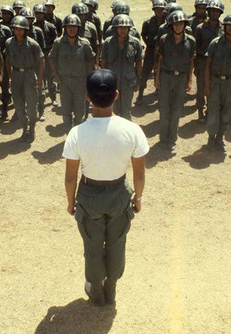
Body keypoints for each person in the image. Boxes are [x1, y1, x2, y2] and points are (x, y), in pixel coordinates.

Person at [63, 69, 149, 306]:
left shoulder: (76, 133)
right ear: (117, 95)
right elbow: (139, 172)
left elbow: (70, 178)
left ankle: (97, 290)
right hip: (119, 194)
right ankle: (111, 286)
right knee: (117, 242)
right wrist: (138, 197)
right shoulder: (132, 130)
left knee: (92, 245)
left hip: (89, 196)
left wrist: (71, 202)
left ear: (88, 97)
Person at [204, 12, 231, 152]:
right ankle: (211, 138)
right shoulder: (215, 43)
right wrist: (207, 86)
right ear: (224, 26)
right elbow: (208, 65)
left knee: (227, 112)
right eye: (229, 25)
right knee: (213, 111)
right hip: (216, 81)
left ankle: (220, 137)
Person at [155, 10, 195, 151]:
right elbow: (159, 59)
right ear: (171, 25)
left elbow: (191, 62)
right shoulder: (164, 39)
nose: (178, 26)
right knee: (164, 108)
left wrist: (189, 80)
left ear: (185, 25)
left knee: (177, 109)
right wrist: (157, 78)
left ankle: (172, 139)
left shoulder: (191, 41)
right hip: (166, 76)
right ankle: (163, 138)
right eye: (175, 24)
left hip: (181, 78)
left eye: (181, 24)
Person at [49, 14, 95, 133]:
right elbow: (52, 58)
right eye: (69, 26)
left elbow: (91, 59)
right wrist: (56, 75)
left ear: (78, 28)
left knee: (80, 112)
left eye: (74, 27)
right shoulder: (58, 43)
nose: (72, 29)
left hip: (80, 82)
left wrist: (88, 78)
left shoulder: (84, 43)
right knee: (66, 111)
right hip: (64, 83)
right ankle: (69, 135)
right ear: (64, 28)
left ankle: (79, 135)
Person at [5, 15, 44, 143]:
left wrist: (39, 80)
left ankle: (32, 129)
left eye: (21, 29)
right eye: (16, 29)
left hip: (29, 75)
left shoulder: (32, 44)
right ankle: (24, 129)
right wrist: (10, 75)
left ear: (25, 30)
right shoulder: (9, 42)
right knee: (18, 104)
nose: (18, 31)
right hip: (16, 75)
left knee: (32, 104)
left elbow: (42, 61)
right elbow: (7, 59)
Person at [100, 14, 142, 120]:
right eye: (120, 27)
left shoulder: (135, 43)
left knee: (126, 111)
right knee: (112, 110)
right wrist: (103, 81)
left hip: (128, 82)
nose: (123, 30)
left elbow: (138, 63)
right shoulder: (108, 43)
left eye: (125, 28)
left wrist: (138, 81)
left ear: (129, 29)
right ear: (116, 28)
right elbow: (103, 63)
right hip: (111, 83)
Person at [194, 0, 224, 121]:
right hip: (202, 62)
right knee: (201, 88)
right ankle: (200, 111)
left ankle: (210, 110)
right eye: (212, 11)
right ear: (209, 12)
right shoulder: (200, 28)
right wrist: (196, 65)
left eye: (217, 11)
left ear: (220, 13)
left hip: (217, 63)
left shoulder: (223, 28)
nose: (214, 14)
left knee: (214, 88)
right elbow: (196, 48)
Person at [136, 0, 166, 106]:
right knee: (145, 73)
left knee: (162, 72)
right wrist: (149, 44)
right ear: (154, 9)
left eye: (161, 9)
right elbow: (143, 35)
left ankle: (159, 93)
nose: (159, 11)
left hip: (163, 52)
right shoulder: (147, 22)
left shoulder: (167, 23)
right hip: (150, 50)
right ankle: (140, 95)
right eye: (157, 9)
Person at [33, 4, 58, 117]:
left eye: (40, 14)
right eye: (37, 13)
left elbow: (55, 42)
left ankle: (53, 97)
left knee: (50, 77)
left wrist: (53, 56)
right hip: (37, 56)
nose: (38, 16)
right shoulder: (32, 27)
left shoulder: (51, 26)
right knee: (40, 78)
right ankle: (39, 105)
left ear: (44, 14)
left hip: (48, 53)